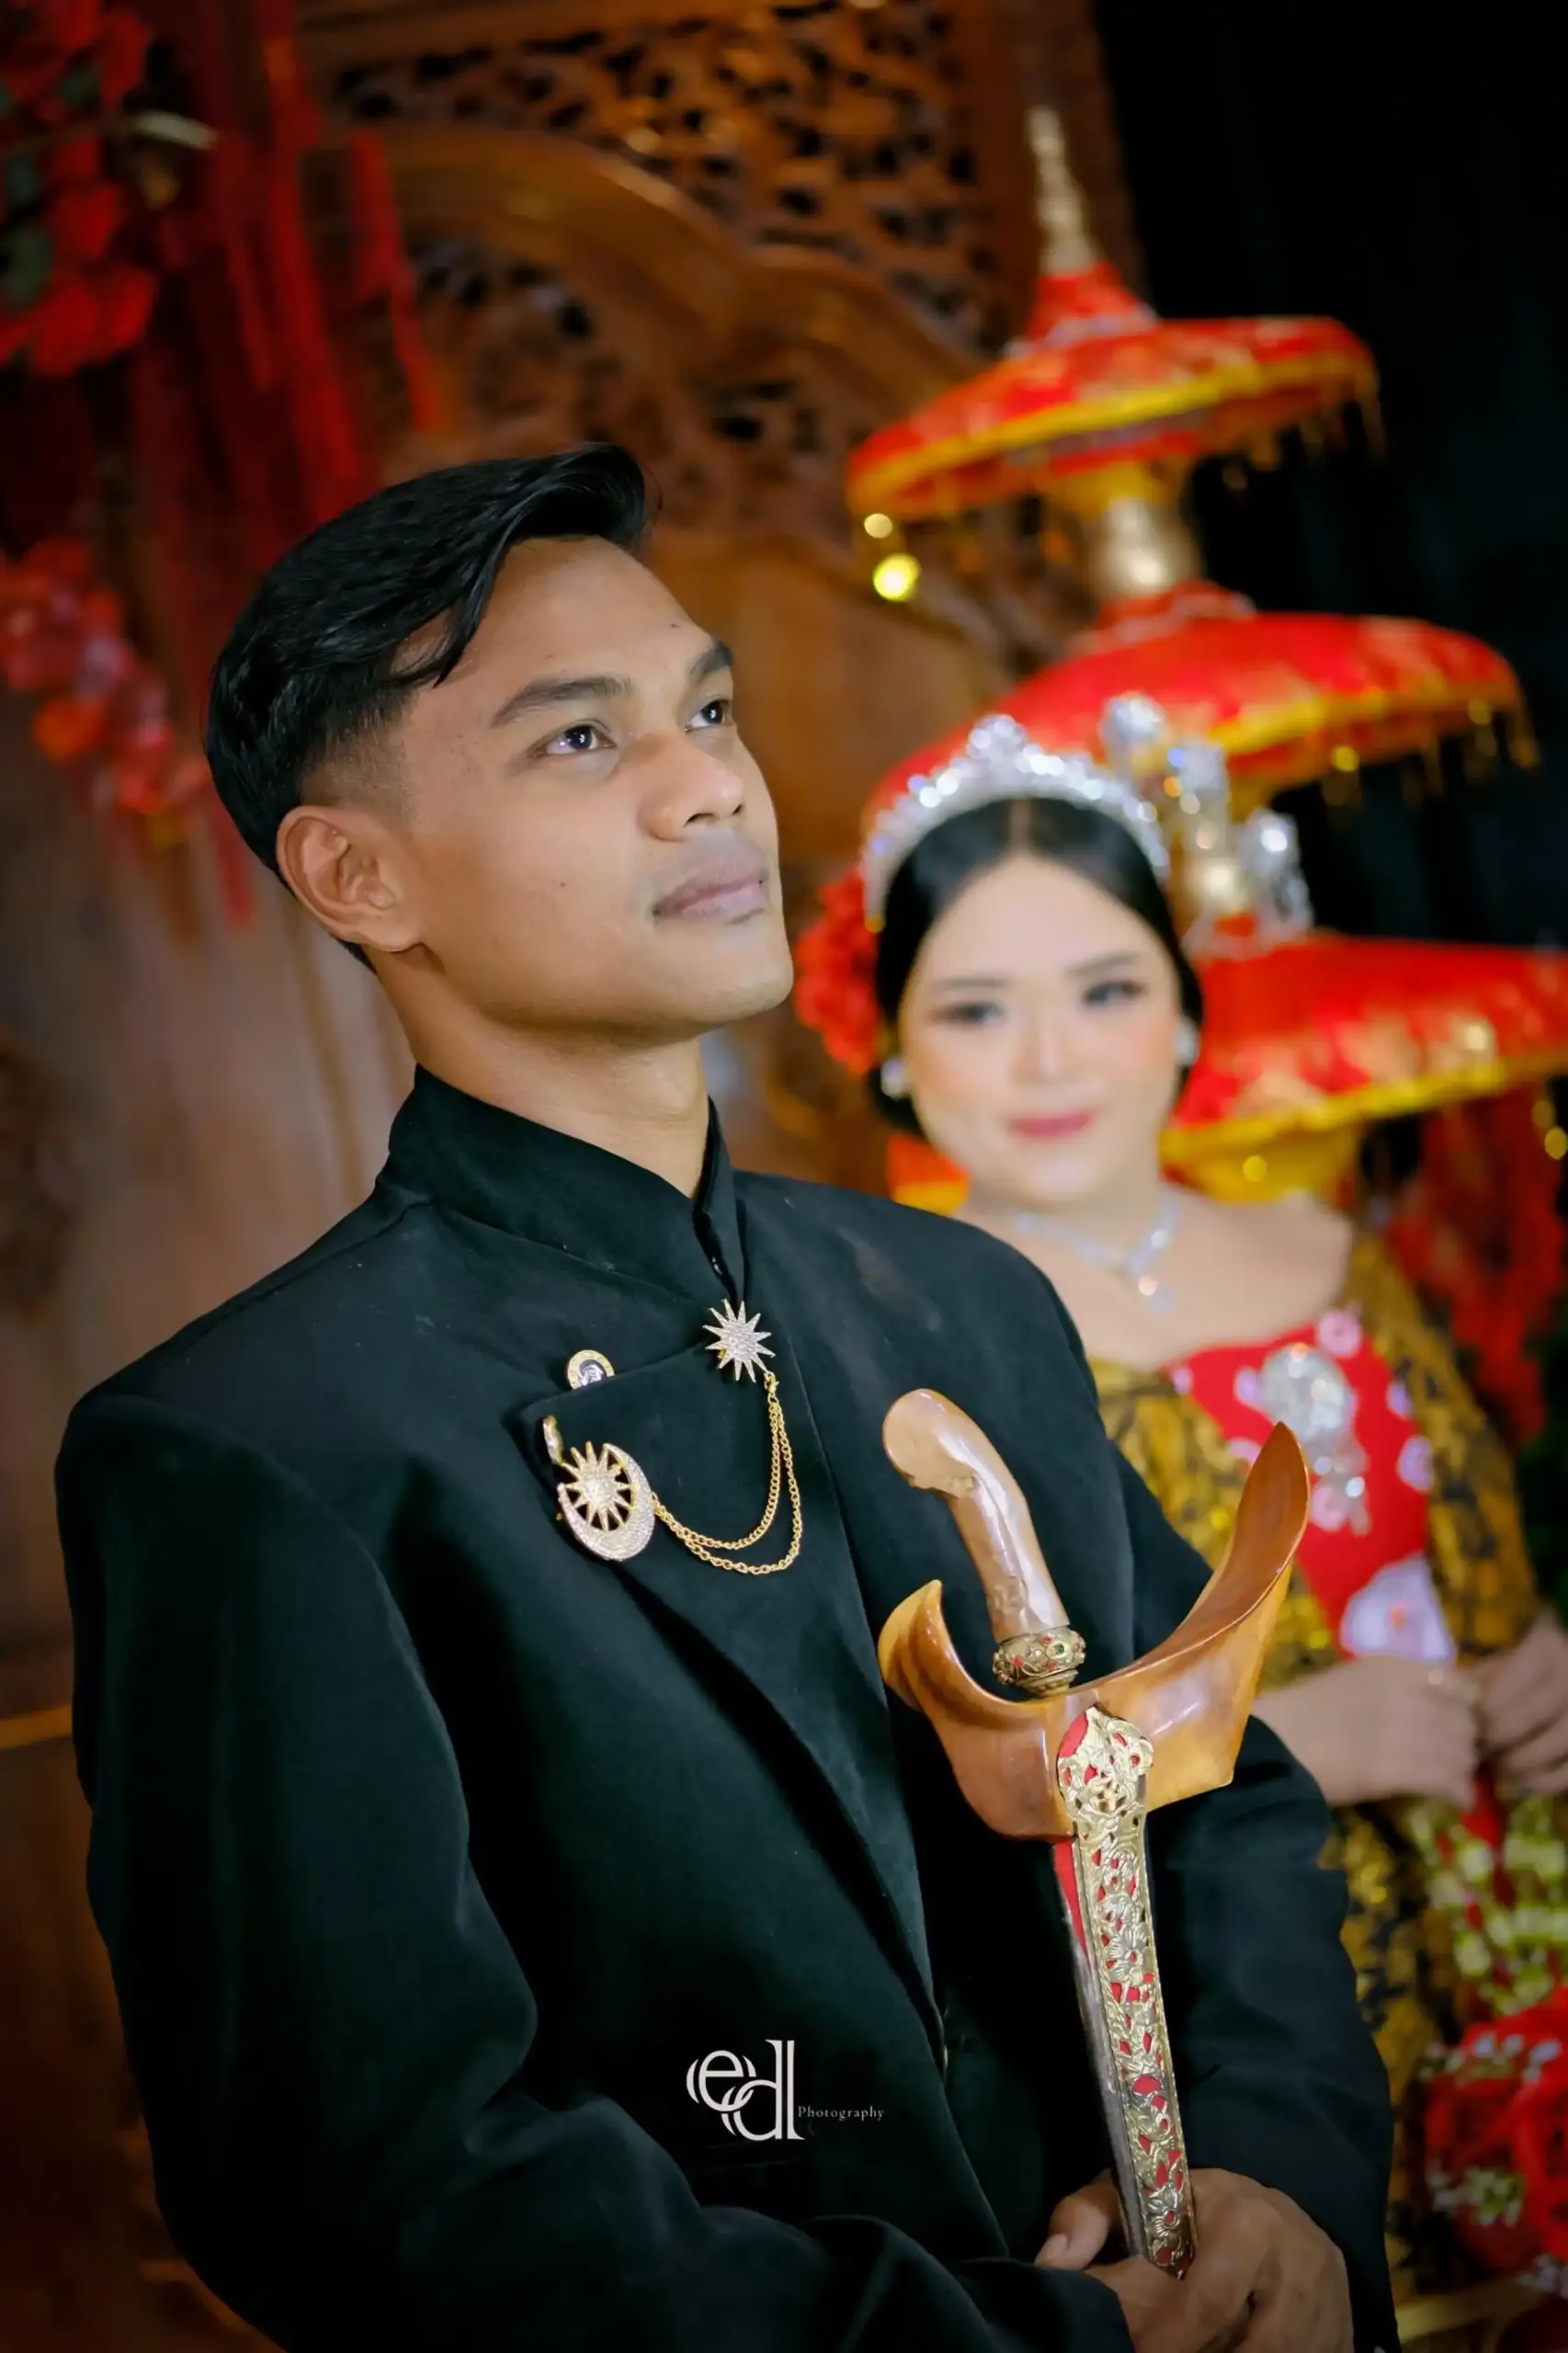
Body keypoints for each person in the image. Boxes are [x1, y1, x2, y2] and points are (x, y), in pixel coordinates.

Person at [59, 449, 1394, 2353]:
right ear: (359, 873)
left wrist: (1275, 2187)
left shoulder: (954, 1297)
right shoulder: (263, 1451)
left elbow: (1224, 1795)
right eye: (579, 738)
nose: (709, 786)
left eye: (705, 708)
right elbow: (378, 2182)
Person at [794, 709, 1568, 2318]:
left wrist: (1546, 1652)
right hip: (1242, 1990)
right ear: (892, 1046)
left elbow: (1479, 1541)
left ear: (1183, 1008)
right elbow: (911, 1767)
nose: (1052, 1059)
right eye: (977, 1009)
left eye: (1104, 990)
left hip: (1520, 1894)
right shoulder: (901, 1355)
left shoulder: (1330, 1244)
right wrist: (1278, 1741)